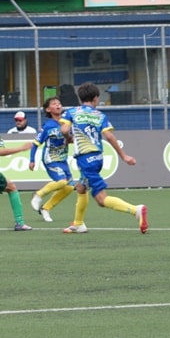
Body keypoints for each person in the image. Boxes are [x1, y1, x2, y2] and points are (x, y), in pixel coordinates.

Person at [60, 82, 148, 235]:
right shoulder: (100, 115)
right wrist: (124, 156)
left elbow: (64, 129)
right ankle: (78, 224)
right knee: (81, 187)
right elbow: (109, 136)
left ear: (80, 98)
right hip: (97, 157)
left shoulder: (71, 112)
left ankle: (136, 210)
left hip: (85, 159)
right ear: (95, 98)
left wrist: (69, 138)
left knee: (101, 200)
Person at [27, 97, 81, 223]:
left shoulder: (67, 123)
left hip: (63, 160)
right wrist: (32, 160)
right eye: (54, 104)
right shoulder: (48, 126)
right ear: (48, 109)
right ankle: (38, 194)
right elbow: (35, 143)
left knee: (69, 187)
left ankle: (46, 208)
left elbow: (70, 139)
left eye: (59, 103)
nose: (58, 105)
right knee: (62, 182)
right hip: (50, 158)